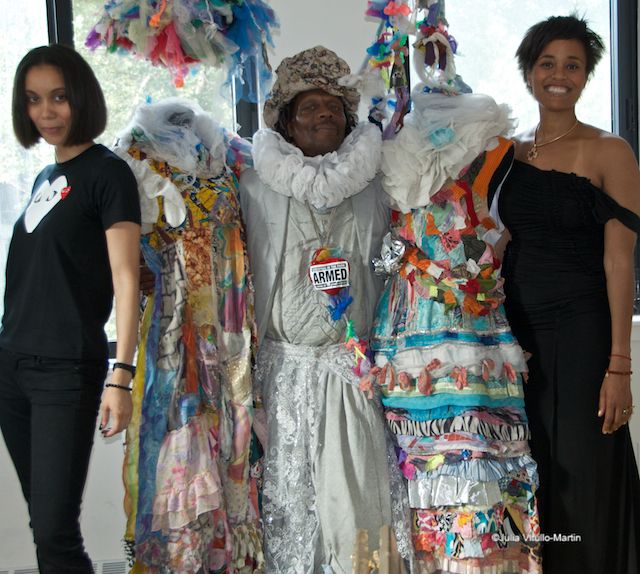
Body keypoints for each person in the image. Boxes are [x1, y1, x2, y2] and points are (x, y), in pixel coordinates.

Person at [239, 46, 410, 573]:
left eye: (333, 105)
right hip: (281, 375)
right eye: (308, 107)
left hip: (350, 372)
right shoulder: (249, 185)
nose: (323, 115)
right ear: (286, 122)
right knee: (287, 509)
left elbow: (405, 256)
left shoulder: (380, 185)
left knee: (357, 504)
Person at [496, 15, 640, 573]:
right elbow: (499, 241)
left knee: (582, 470)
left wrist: (620, 367)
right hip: (516, 337)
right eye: (547, 63)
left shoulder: (610, 151)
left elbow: (619, 258)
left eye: (572, 65)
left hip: (582, 330)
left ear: (587, 77)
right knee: (527, 469)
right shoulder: (510, 151)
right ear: (529, 72)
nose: (559, 75)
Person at [0, 44, 140, 573]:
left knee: (57, 534)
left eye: (59, 97)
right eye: (34, 100)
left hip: (64, 372)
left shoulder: (109, 174)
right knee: (44, 525)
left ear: (81, 97)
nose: (47, 111)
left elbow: (126, 280)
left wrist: (120, 375)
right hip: (12, 368)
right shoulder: (44, 179)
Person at [115, 98, 263, 572]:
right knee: (182, 443)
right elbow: (125, 260)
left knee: (236, 442)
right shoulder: (135, 161)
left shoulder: (229, 157)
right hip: (174, 336)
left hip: (233, 328)